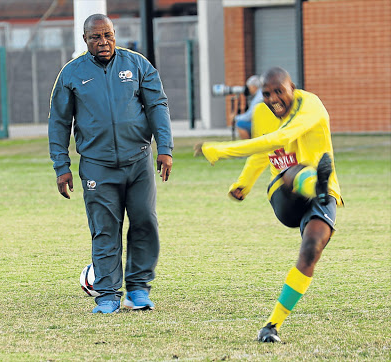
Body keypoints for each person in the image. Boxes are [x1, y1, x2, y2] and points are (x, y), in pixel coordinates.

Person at [194, 67, 343, 342]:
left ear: (292, 88)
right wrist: (244, 183)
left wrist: (218, 150)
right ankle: (314, 183)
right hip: (284, 193)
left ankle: (271, 326)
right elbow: (265, 149)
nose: (273, 98)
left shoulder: (311, 105)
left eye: (279, 91)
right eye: (266, 93)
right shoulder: (263, 113)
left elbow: (280, 139)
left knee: (312, 249)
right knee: (293, 172)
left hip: (322, 194)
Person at [48, 14, 173, 314]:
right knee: (104, 230)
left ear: (115, 35)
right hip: (96, 166)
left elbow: (157, 105)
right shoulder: (71, 74)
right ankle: (107, 295)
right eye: (95, 37)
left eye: (108, 35)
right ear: (85, 40)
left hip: (139, 161)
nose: (103, 42)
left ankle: (139, 291)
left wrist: (164, 148)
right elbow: (59, 121)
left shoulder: (138, 65)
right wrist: (61, 165)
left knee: (145, 223)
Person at [229, 75, 263, 140]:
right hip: (263, 122)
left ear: (253, 86)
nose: (249, 90)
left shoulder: (258, 98)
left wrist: (235, 118)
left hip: (260, 124)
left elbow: (249, 116)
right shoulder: (261, 94)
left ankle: (249, 145)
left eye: (249, 87)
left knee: (240, 124)